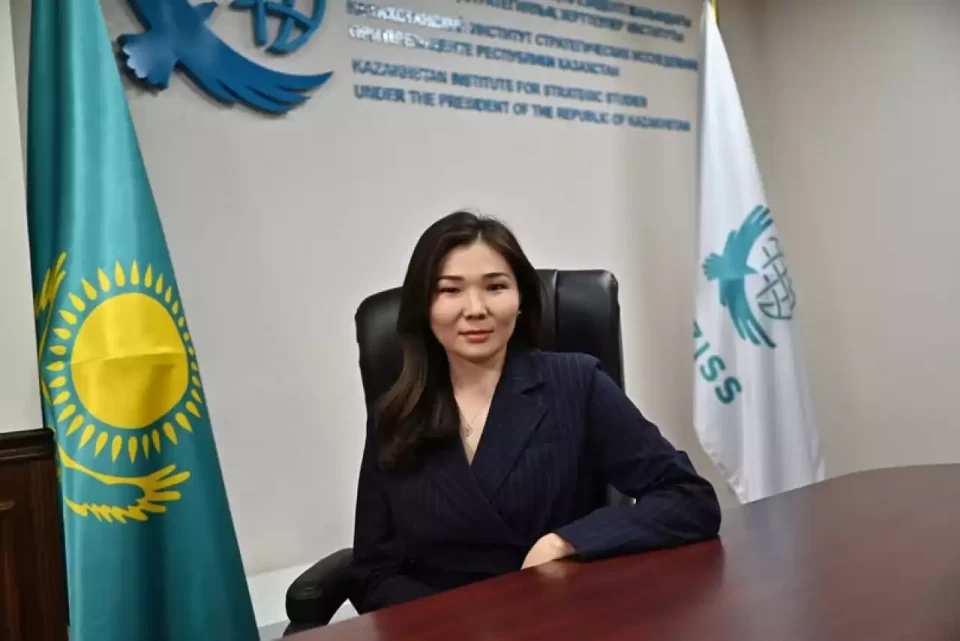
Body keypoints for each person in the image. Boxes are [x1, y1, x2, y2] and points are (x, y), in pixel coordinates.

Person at [348, 211, 721, 614]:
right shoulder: (396, 414)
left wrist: (566, 542)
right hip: (443, 626)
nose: (475, 309)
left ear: (521, 298)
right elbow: (374, 572)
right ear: (424, 306)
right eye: (450, 290)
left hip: (561, 614)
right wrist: (456, 621)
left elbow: (688, 498)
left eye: (495, 287)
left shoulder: (576, 384)